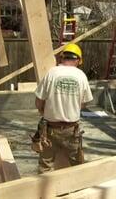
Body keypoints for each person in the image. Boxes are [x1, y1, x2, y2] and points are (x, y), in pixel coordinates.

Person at [34, 43, 93, 173]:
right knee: (76, 168)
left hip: (50, 129)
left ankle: (44, 193)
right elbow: (84, 103)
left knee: (45, 166)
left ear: (62, 58)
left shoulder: (51, 73)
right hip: (71, 131)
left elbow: (38, 101)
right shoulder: (81, 75)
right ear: (78, 60)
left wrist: (44, 111)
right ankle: (77, 191)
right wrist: (71, 105)